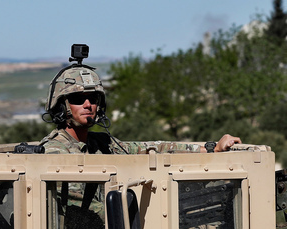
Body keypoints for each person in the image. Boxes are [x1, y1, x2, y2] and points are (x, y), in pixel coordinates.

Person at [39, 52, 241, 155]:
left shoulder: (102, 144)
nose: (87, 104)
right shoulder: (54, 151)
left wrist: (213, 148)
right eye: (76, 99)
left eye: (93, 99)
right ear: (61, 106)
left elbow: (155, 148)